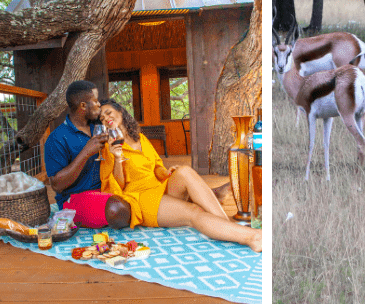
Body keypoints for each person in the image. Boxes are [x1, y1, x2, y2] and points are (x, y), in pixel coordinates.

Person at [98, 99, 261, 252]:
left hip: (158, 186)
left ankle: (226, 227)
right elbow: (116, 187)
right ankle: (250, 237)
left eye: (108, 112)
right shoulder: (108, 147)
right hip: (141, 198)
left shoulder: (139, 137)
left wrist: (168, 173)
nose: (105, 118)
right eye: (101, 117)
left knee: (184, 171)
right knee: (194, 211)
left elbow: (157, 166)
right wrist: (118, 158)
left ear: (120, 111)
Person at [44, 81, 132, 229]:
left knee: (140, 196)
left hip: (106, 190)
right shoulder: (57, 138)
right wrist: (86, 152)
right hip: (74, 199)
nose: (99, 104)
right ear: (83, 106)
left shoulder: (98, 127)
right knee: (118, 209)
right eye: (95, 101)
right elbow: (57, 185)